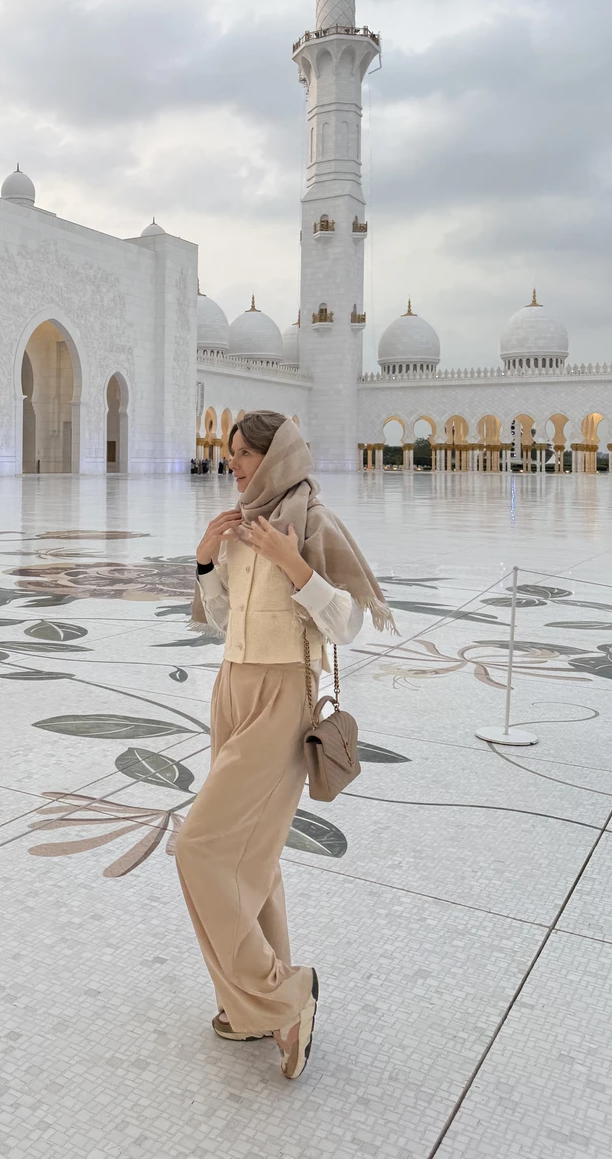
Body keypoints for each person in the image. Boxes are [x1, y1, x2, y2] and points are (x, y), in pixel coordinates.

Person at [175, 410, 393, 1081]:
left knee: (201, 846)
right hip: (233, 690)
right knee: (254, 856)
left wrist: (294, 563)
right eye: (230, 452)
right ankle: (246, 1007)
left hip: (281, 698)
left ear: (276, 457)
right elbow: (219, 619)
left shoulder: (311, 521)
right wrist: (209, 559)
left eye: (243, 454)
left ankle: (281, 995)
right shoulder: (242, 525)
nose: (233, 463)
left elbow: (346, 624)